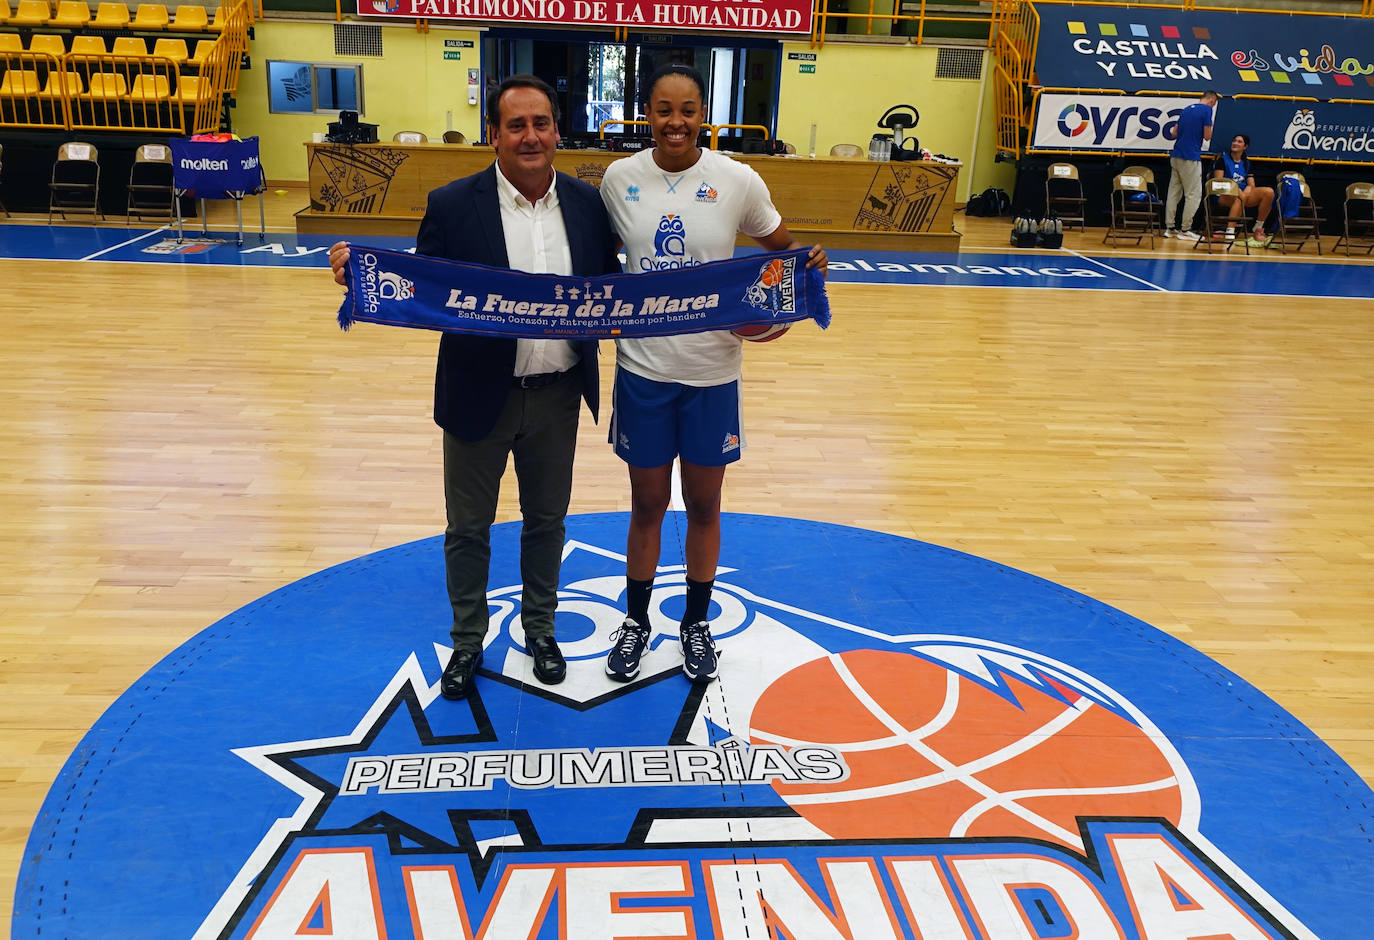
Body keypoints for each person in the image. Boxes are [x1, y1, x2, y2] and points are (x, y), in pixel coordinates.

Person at [328, 75, 621, 700]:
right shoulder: (453, 204)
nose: (530, 136)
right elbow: (421, 287)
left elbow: (613, 287)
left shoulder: (589, 205)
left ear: (557, 130)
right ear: (493, 134)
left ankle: (541, 630)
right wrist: (360, 276)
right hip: (475, 393)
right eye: (516, 125)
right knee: (468, 527)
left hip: (558, 394)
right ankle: (467, 640)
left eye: (540, 123)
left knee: (547, 521)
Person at [597, 63, 827, 685]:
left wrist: (804, 272)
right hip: (643, 370)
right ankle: (635, 622)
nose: (676, 122)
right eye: (664, 110)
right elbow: (597, 256)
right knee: (647, 504)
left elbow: (783, 249)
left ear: (704, 115)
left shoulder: (736, 179)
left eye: (688, 110)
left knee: (703, 504)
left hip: (712, 372)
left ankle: (695, 625)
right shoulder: (620, 178)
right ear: (647, 113)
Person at [1162, 89, 1218, 241]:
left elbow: (1174, 133)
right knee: (1193, 194)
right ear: (1212, 101)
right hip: (1190, 156)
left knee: (1174, 192)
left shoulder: (1186, 109)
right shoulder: (1207, 110)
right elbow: (1207, 136)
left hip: (1176, 154)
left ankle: (1169, 228)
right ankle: (1185, 229)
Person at [1212, 133, 1275, 246]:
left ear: (1245, 147)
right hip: (1224, 195)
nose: (1235, 143)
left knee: (1269, 192)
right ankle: (1230, 231)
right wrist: (1236, 190)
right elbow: (1218, 183)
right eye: (1234, 141)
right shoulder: (1222, 160)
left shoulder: (1246, 163)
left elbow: (1251, 184)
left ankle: (1258, 228)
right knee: (1240, 196)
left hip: (1242, 195)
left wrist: (1249, 188)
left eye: (1239, 142)